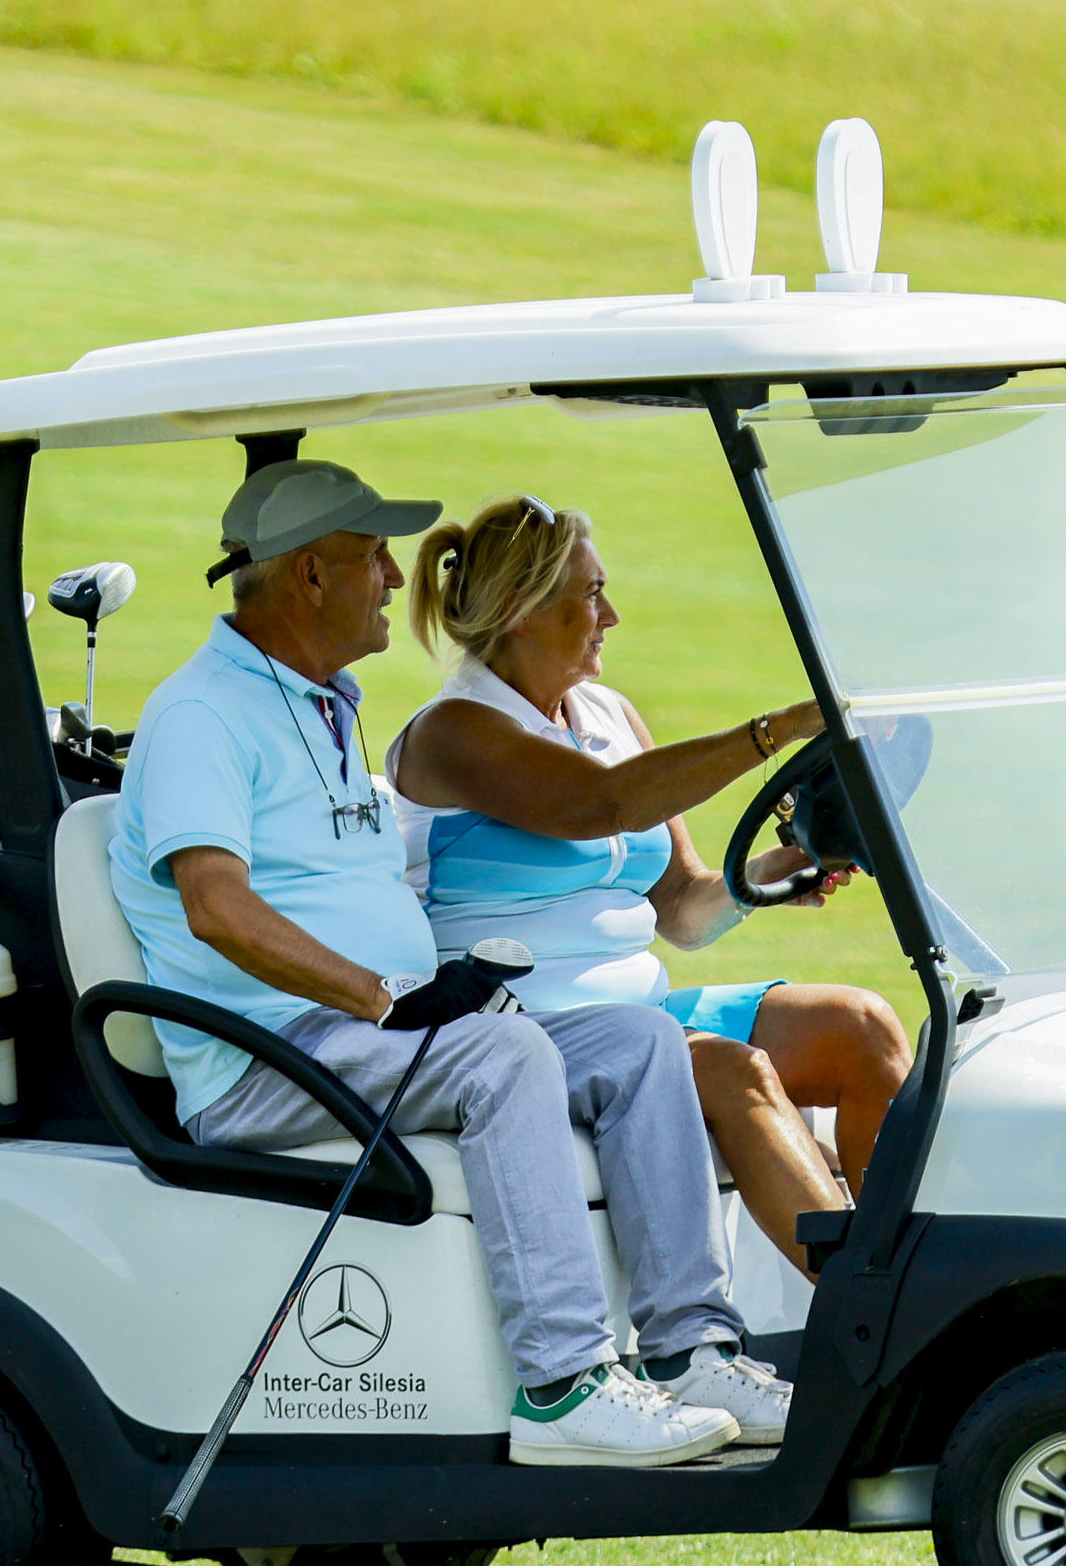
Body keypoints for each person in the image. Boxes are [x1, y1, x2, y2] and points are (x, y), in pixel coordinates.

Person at [107, 458, 793, 1467]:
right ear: (309, 576)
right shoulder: (205, 713)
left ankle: (690, 1346)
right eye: (372, 556)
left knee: (643, 1041)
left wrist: (406, 999)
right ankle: (562, 1386)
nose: (394, 578)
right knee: (502, 1058)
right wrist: (388, 997)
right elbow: (218, 907)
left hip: (356, 1031)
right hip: (266, 1055)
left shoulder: (319, 701)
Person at [386, 494, 914, 1273]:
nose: (614, 614)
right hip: (527, 1032)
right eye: (592, 593)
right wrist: (780, 730)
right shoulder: (455, 731)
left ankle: (899, 1269)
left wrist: (763, 876)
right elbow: (604, 803)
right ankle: (865, 1309)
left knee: (859, 1026)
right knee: (735, 1071)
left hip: (644, 1012)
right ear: (524, 612)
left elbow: (681, 912)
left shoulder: (608, 714)